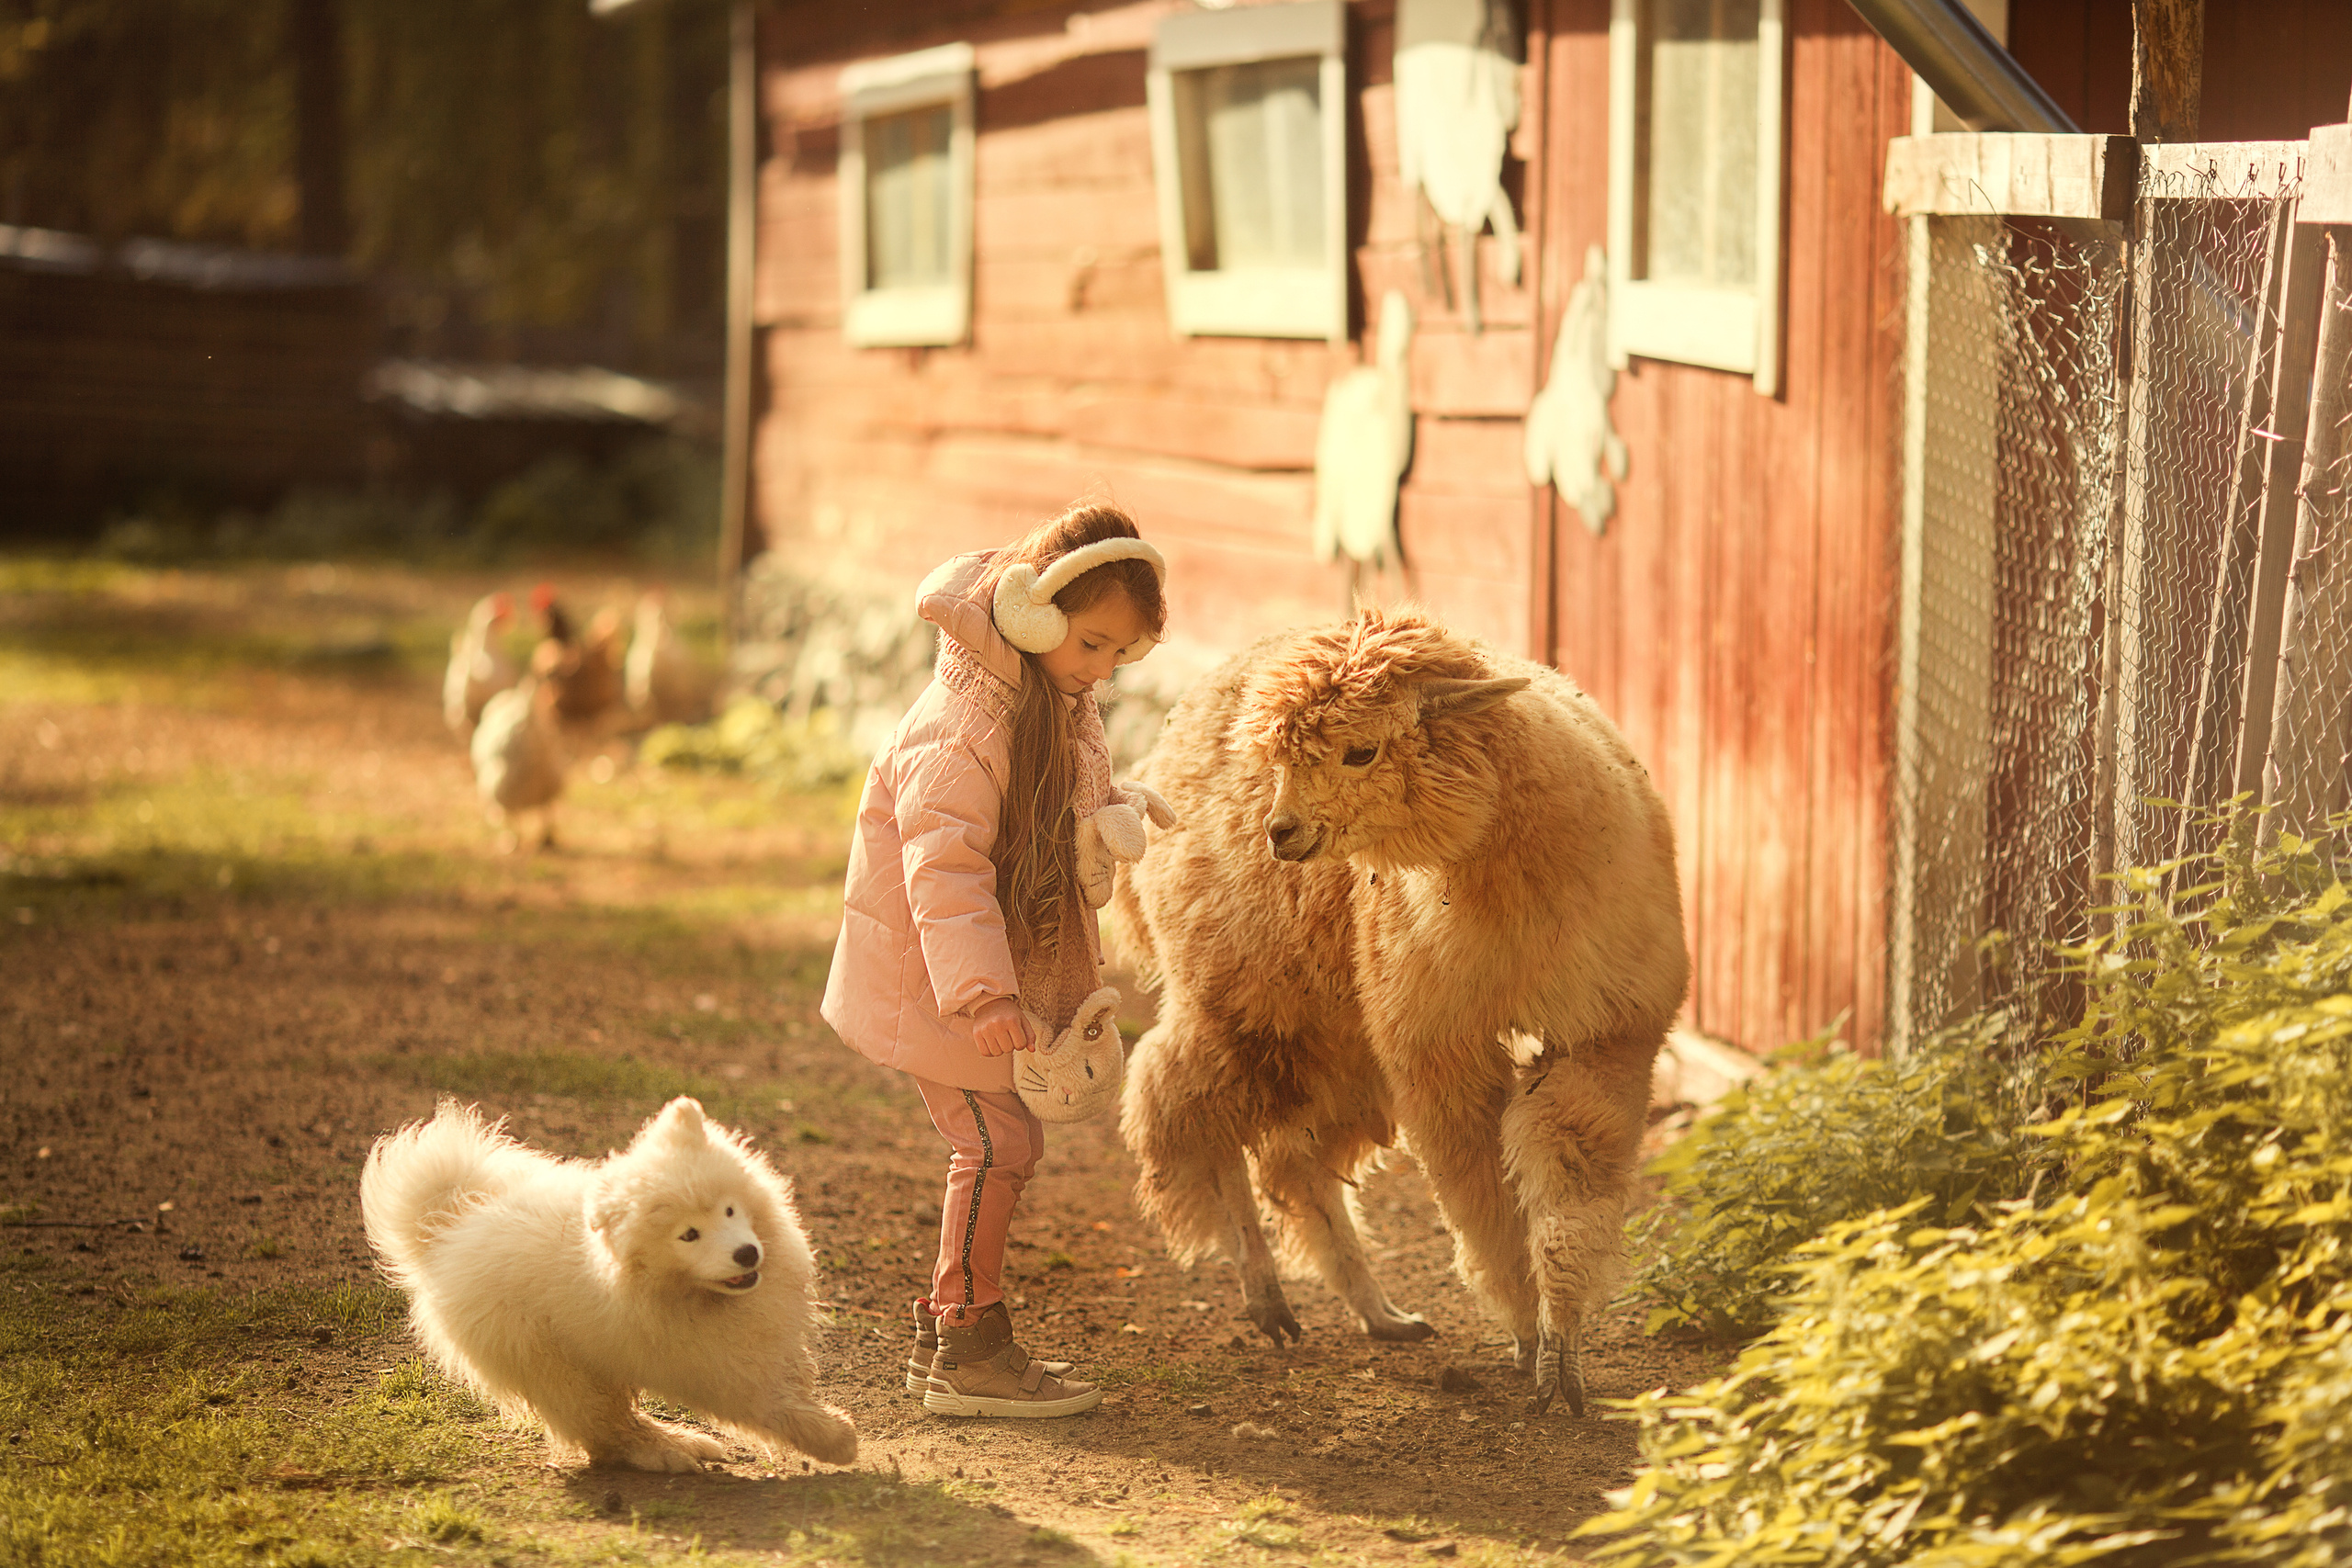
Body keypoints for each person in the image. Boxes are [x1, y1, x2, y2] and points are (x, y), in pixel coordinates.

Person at [820, 502, 1170, 1417]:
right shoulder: (966, 721)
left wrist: (1114, 808)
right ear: (1032, 611)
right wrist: (981, 997)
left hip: (974, 971)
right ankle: (968, 1350)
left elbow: (1051, 808)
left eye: (1118, 656)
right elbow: (944, 865)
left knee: (1000, 1141)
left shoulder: (1047, 697)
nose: (1099, 670)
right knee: (996, 1141)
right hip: (937, 976)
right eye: (1090, 643)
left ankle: (949, 1332)